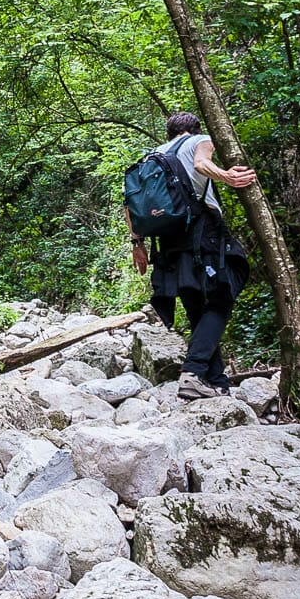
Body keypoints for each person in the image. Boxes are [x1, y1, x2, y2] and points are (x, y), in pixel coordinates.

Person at [128, 111, 254, 400]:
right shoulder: (201, 140)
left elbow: (130, 201)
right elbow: (201, 164)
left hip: (168, 240)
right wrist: (228, 177)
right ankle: (194, 372)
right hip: (201, 231)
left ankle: (216, 380)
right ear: (195, 129)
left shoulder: (151, 155)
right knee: (222, 298)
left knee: (196, 305)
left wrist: (138, 243)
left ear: (168, 133)